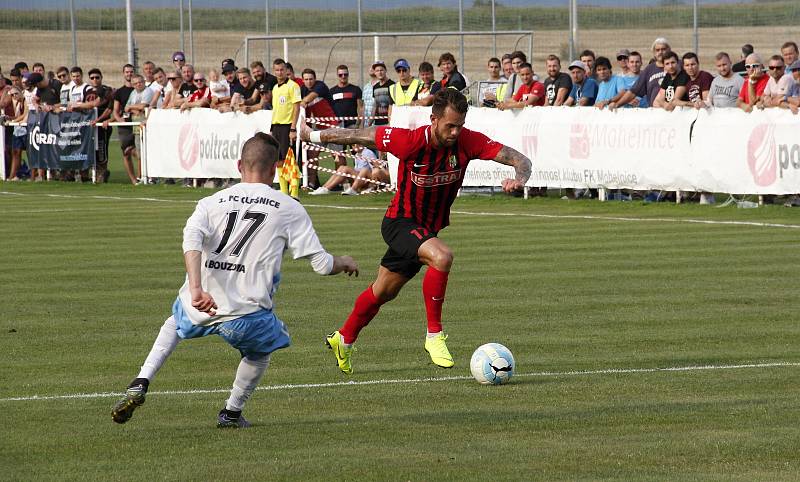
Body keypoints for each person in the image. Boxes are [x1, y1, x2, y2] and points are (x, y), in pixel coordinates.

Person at [111, 132, 359, 429]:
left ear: (239, 164)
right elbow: (321, 265)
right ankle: (231, 412)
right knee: (260, 351)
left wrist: (195, 289)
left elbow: (190, 238)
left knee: (174, 323)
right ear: (275, 169)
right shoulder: (290, 207)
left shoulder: (211, 201)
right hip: (246, 314)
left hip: (199, 303)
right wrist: (344, 262)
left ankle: (142, 379)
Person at [300, 89, 532, 374]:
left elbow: (520, 159)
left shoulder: (468, 140)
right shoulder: (409, 140)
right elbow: (359, 134)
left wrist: (519, 178)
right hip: (400, 223)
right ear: (434, 119)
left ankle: (343, 339)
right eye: (450, 125)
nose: (456, 132)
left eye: (460, 125)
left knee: (383, 292)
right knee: (442, 257)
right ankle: (434, 335)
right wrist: (311, 135)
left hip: (426, 229)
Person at [614, 37, 672, 109]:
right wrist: (617, 104)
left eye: (663, 49)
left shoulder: (678, 65)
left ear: (669, 50)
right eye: (657, 50)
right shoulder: (649, 69)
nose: (660, 52)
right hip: (655, 112)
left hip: (675, 111)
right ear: (654, 53)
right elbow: (633, 91)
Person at [270, 58, 301, 169]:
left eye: (282, 70)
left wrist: (293, 129)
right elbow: (276, 110)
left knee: (289, 160)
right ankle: (283, 187)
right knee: (278, 160)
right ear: (274, 71)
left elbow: (297, 108)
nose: (280, 72)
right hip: (276, 127)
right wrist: (272, 128)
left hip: (287, 127)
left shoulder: (293, 86)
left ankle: (292, 186)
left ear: (286, 70)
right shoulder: (274, 88)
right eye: (277, 70)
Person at [124, 74, 154, 184]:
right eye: (135, 83)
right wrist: (134, 108)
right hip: (136, 126)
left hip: (146, 125)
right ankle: (142, 176)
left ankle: (146, 176)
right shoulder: (133, 93)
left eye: (140, 82)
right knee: (139, 151)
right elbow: (126, 108)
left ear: (144, 81)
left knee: (146, 151)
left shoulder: (148, 91)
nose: (138, 85)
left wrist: (134, 107)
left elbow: (143, 107)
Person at [88, 68, 114, 182]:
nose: (95, 80)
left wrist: (98, 120)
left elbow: (108, 109)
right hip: (90, 126)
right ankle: (93, 173)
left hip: (102, 126)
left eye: (97, 77)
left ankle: (102, 174)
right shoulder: (87, 91)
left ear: (101, 78)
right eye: (92, 78)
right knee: (90, 150)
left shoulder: (107, 91)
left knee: (101, 150)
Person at [112, 64, 136, 182]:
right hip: (125, 126)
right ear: (123, 73)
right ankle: (133, 180)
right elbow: (115, 111)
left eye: (131, 72)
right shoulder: (119, 92)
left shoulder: (139, 89)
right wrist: (119, 119)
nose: (129, 74)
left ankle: (143, 178)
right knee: (126, 153)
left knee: (139, 152)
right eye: (127, 72)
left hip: (136, 123)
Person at [369, 61, 394, 127]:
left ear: (385, 71)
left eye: (381, 70)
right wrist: (369, 123)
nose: (379, 72)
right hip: (378, 123)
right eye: (377, 71)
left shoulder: (392, 85)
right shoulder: (375, 87)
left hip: (390, 122)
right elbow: (375, 105)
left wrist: (390, 122)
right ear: (375, 73)